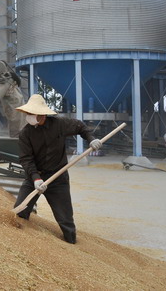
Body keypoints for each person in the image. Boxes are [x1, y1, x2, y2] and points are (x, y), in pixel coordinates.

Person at [12, 94, 102, 244]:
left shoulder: (59, 124)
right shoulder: (25, 134)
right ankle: (23, 242)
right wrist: (36, 179)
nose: (29, 116)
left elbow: (80, 127)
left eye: (32, 113)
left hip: (57, 178)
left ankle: (72, 245)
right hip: (35, 177)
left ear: (42, 114)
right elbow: (26, 159)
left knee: (65, 219)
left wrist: (91, 140)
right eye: (28, 113)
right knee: (20, 210)